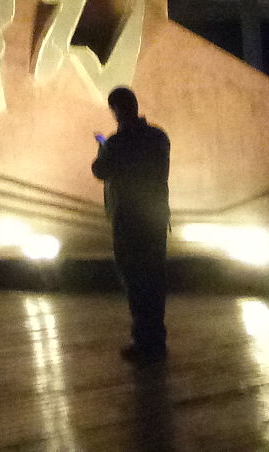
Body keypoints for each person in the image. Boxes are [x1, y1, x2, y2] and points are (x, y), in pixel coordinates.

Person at [90, 84, 172, 363]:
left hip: (128, 219)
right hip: (155, 216)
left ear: (116, 111)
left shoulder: (116, 143)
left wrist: (103, 148)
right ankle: (156, 339)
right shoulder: (159, 137)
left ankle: (143, 341)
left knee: (135, 280)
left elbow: (101, 170)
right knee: (154, 278)